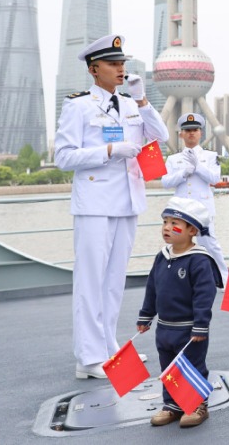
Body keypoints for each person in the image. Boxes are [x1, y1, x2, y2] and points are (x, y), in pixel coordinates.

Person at [55, 34, 169, 380]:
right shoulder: (78, 106)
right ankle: (88, 358)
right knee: (91, 280)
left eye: (123, 63)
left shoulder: (131, 104)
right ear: (94, 70)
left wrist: (143, 99)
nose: (121, 69)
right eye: (114, 64)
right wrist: (107, 151)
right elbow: (63, 157)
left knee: (113, 280)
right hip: (94, 202)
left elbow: (161, 136)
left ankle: (107, 347)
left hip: (127, 199)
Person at [136, 197, 220, 428]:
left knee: (192, 366)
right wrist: (146, 315)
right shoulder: (162, 256)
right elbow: (153, 288)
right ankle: (172, 404)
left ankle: (196, 405)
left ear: (192, 229)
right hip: (165, 327)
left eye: (175, 223)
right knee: (169, 368)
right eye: (165, 221)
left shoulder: (199, 260)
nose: (166, 227)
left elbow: (204, 295)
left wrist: (201, 324)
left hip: (189, 327)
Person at [161, 113, 226, 278]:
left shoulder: (211, 156)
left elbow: (215, 179)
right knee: (179, 243)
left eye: (195, 130)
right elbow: (166, 182)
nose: (191, 133)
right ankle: (179, 278)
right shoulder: (173, 159)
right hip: (181, 211)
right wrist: (184, 172)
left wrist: (198, 167)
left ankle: (223, 278)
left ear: (200, 133)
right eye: (187, 130)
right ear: (181, 133)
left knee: (210, 244)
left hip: (203, 210)